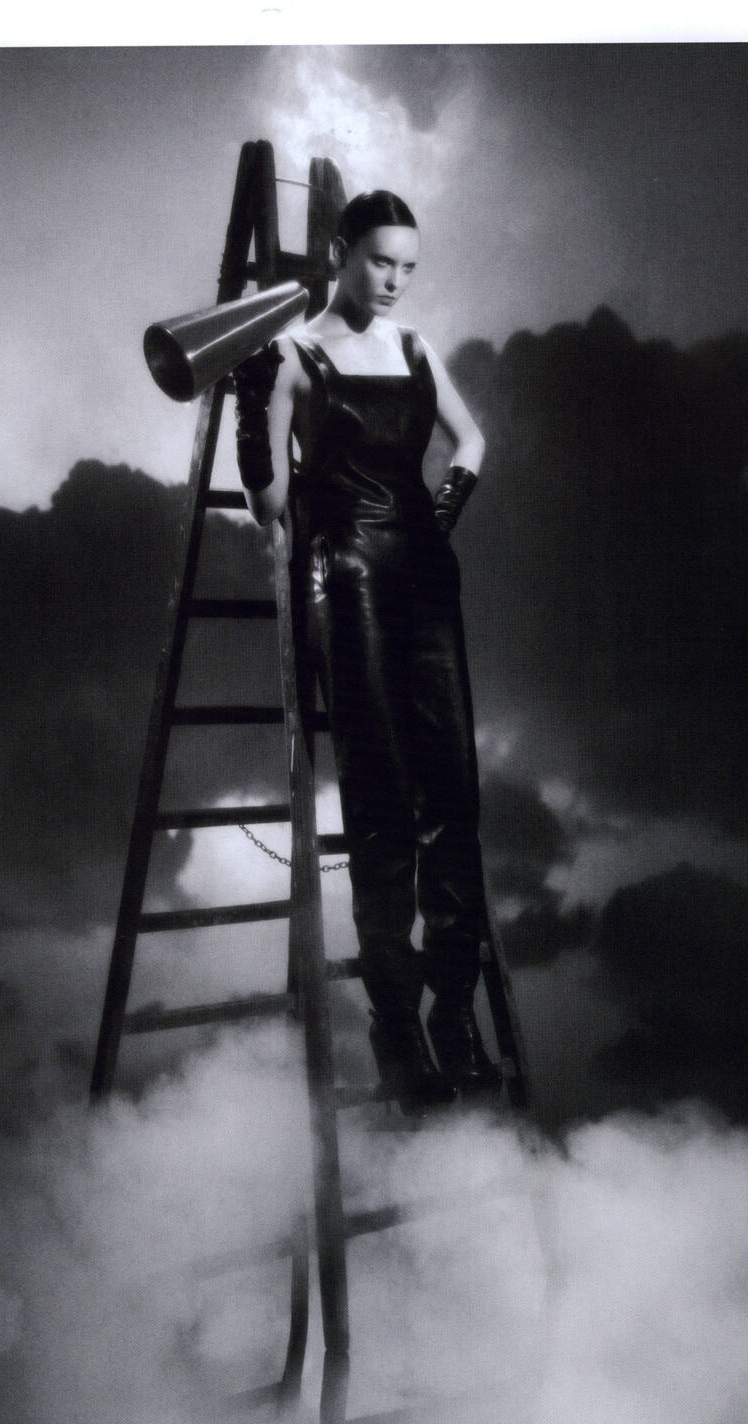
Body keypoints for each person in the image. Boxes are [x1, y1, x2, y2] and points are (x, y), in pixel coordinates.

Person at [233, 189, 501, 1113]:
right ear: (342, 253)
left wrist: (442, 510)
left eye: (408, 267)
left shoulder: (415, 347)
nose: (394, 280)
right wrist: (252, 412)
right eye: (381, 260)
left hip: (425, 575)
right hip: (344, 576)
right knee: (382, 804)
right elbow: (270, 507)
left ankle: (454, 1016)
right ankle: (398, 1032)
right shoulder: (292, 355)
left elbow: (473, 439)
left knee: (453, 799)